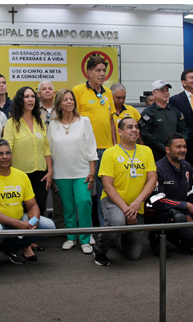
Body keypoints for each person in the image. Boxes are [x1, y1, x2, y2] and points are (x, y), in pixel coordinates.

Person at [0, 139, 53, 274]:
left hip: (16, 220)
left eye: (7, 153)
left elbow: (33, 205)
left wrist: (32, 223)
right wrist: (18, 224)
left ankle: (9, 247)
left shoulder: (21, 175)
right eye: (0, 154)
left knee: (48, 226)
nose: (5, 157)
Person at [93, 118, 156, 266]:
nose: (134, 130)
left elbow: (152, 180)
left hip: (136, 204)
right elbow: (107, 186)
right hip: (113, 201)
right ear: (120, 131)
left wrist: (137, 203)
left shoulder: (146, 151)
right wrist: (126, 209)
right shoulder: (110, 153)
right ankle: (99, 250)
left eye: (136, 127)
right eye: (129, 127)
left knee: (133, 255)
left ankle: (114, 238)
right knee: (117, 221)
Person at [3, 86, 53, 259]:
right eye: (26, 97)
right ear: (20, 100)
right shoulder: (12, 123)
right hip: (19, 174)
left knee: (38, 208)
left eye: (33, 96)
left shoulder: (40, 121)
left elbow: (46, 147)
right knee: (20, 210)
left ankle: (28, 239)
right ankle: (25, 246)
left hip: (40, 173)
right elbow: (7, 149)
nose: (30, 100)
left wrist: (50, 170)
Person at [48, 88, 98, 254]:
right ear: (59, 104)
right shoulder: (52, 124)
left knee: (84, 202)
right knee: (68, 207)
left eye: (71, 99)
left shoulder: (84, 121)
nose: (69, 102)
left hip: (82, 171)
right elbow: (49, 149)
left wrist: (92, 171)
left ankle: (85, 239)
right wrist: (51, 171)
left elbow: (91, 147)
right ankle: (71, 237)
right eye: (65, 99)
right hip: (61, 172)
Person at [72, 55, 116, 228]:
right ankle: (86, 229)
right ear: (88, 72)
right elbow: (72, 119)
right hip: (86, 151)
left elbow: (111, 122)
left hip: (107, 150)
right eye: (98, 70)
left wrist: (114, 145)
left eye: (104, 70)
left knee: (105, 191)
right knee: (87, 193)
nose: (102, 74)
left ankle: (104, 227)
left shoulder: (108, 93)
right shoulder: (78, 91)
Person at [37, 80, 65, 230]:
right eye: (44, 89)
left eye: (50, 89)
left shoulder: (61, 109)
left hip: (59, 155)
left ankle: (60, 225)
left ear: (54, 93)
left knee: (59, 193)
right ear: (38, 93)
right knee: (40, 193)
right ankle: (41, 227)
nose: (47, 91)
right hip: (40, 156)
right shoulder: (33, 110)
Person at [139, 80, 188, 160]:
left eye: (167, 90)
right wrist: (163, 147)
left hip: (175, 154)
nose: (166, 93)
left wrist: (180, 145)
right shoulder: (148, 112)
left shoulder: (175, 111)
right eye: (162, 91)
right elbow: (145, 133)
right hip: (156, 155)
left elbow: (184, 129)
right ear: (154, 93)